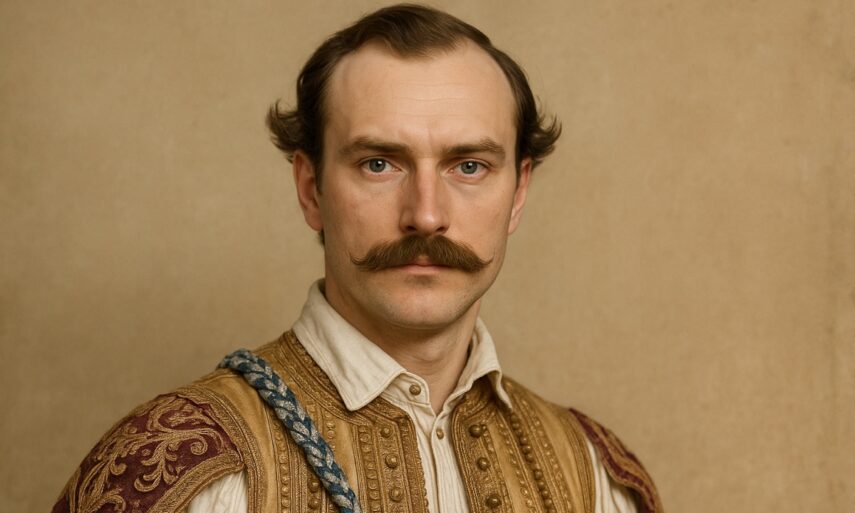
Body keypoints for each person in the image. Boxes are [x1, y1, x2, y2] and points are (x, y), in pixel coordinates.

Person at [52, 5, 661, 513]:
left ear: (518, 193)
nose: (426, 215)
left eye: (469, 166)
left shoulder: (595, 477)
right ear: (311, 189)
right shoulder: (180, 473)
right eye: (379, 164)